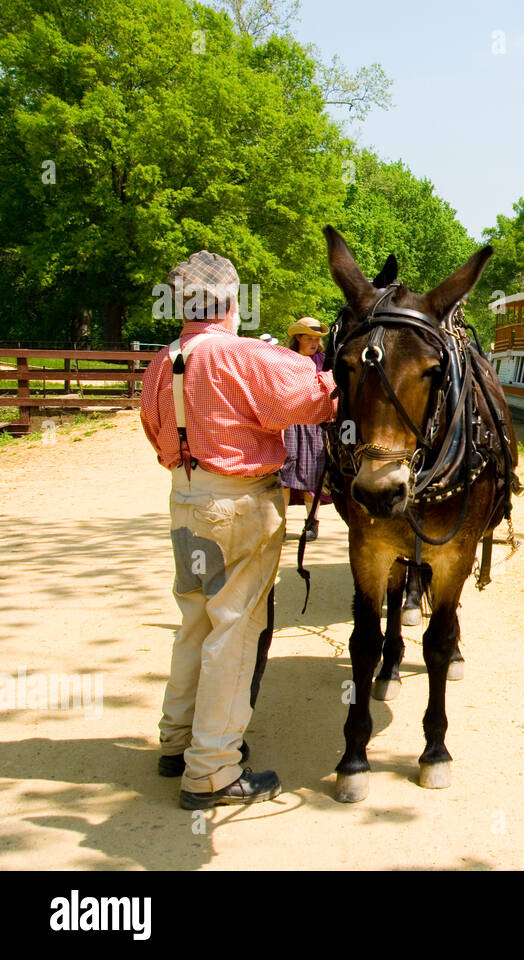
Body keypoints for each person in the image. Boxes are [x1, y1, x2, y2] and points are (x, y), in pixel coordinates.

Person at [140, 250, 336, 809]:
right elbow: (318, 397)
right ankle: (211, 771)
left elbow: (152, 428)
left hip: (184, 496)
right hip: (239, 505)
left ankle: (176, 742)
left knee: (195, 622)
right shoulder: (246, 356)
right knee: (236, 631)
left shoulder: (164, 360)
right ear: (230, 302)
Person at [279, 317, 331, 542]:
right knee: (284, 475)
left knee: (313, 474)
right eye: (309, 338)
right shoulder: (284, 359)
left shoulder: (325, 361)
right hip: (288, 423)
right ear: (298, 337)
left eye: (317, 339)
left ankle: (311, 522)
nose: (314, 342)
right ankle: (279, 525)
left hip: (314, 424)